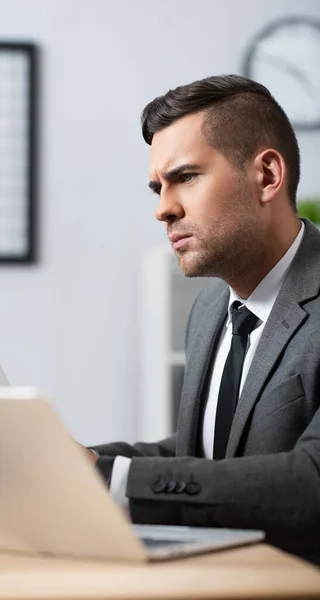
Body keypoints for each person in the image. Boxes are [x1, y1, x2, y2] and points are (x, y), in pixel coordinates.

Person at [84, 75, 320, 565]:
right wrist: (75, 464)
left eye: (186, 177)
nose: (163, 209)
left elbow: (310, 480)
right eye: (157, 187)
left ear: (267, 176)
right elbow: (212, 455)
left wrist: (112, 477)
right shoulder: (212, 308)